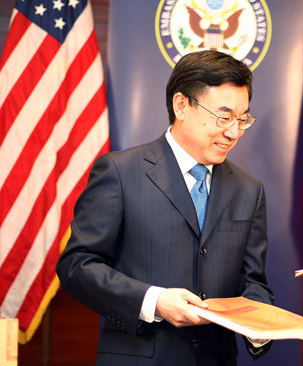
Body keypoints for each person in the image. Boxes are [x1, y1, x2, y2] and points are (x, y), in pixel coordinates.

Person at [56, 50, 274, 366]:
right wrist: (155, 301)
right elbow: (77, 265)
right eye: (224, 117)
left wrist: (259, 325)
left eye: (243, 119)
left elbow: (252, 281)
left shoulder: (249, 189)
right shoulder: (120, 172)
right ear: (181, 105)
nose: (234, 132)